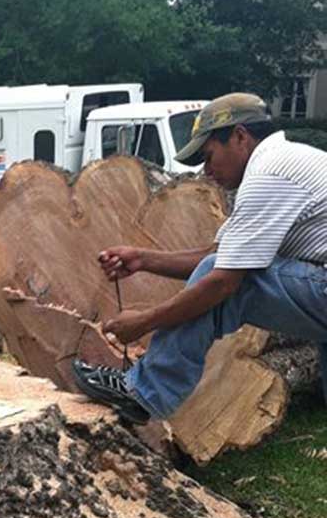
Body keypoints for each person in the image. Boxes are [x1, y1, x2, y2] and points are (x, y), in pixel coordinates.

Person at [72, 92, 327, 425]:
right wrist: (143, 259)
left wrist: (145, 320)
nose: (207, 171)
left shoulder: (270, 173)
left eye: (209, 156)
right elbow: (222, 255)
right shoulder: (283, 162)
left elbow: (223, 280)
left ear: (239, 136)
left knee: (231, 284)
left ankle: (145, 390)